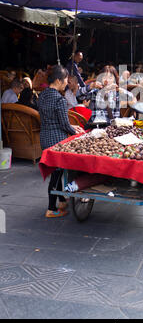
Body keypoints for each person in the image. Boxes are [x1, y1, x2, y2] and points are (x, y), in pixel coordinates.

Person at [38, 65, 82, 218]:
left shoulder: (42, 96)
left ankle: (62, 200)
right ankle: (51, 208)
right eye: (65, 80)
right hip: (57, 140)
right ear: (57, 80)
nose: (66, 83)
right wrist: (74, 130)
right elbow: (64, 124)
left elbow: (55, 120)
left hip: (44, 138)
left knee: (56, 171)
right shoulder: (59, 100)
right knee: (57, 174)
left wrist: (71, 126)